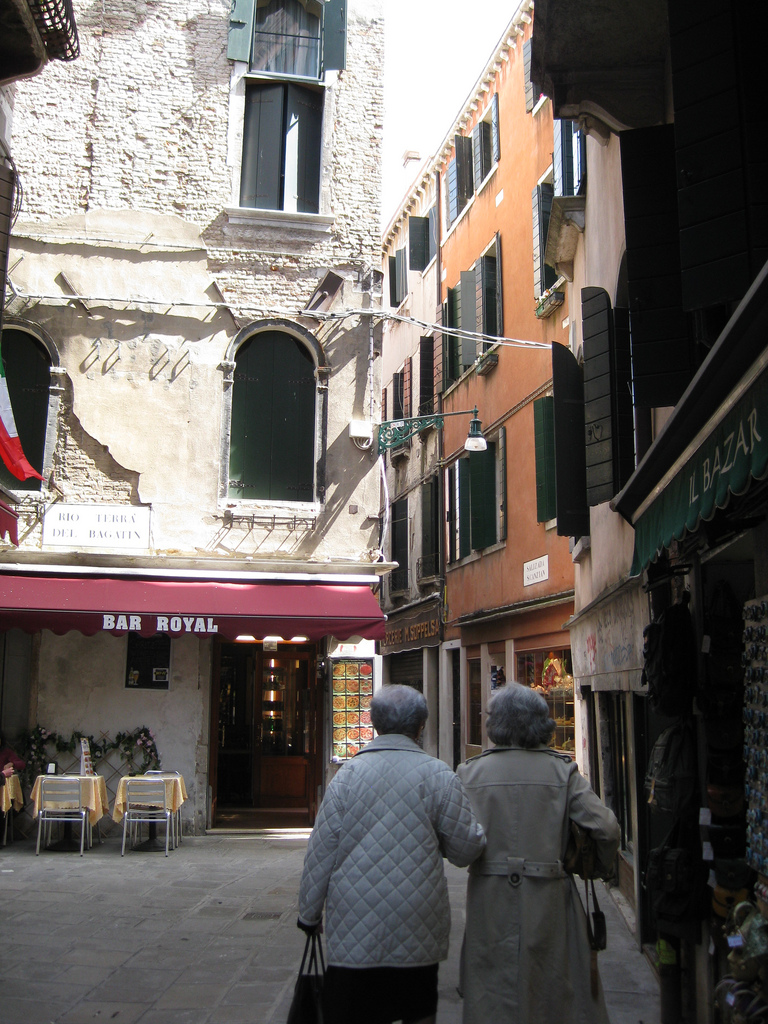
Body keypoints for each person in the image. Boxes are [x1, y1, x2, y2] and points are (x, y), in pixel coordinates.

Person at [298, 684, 486, 1024]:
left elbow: (321, 850)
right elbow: (465, 850)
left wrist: (308, 914)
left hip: (354, 918)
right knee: (416, 1012)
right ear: (420, 727)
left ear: (375, 724)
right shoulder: (438, 774)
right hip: (417, 918)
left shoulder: (348, 776)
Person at [457, 682, 620, 1024]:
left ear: (495, 724)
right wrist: (600, 868)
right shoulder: (562, 772)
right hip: (548, 898)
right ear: (540, 723)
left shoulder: (470, 773)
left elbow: (458, 844)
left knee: (493, 994)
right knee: (552, 992)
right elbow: (606, 829)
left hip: (489, 900)